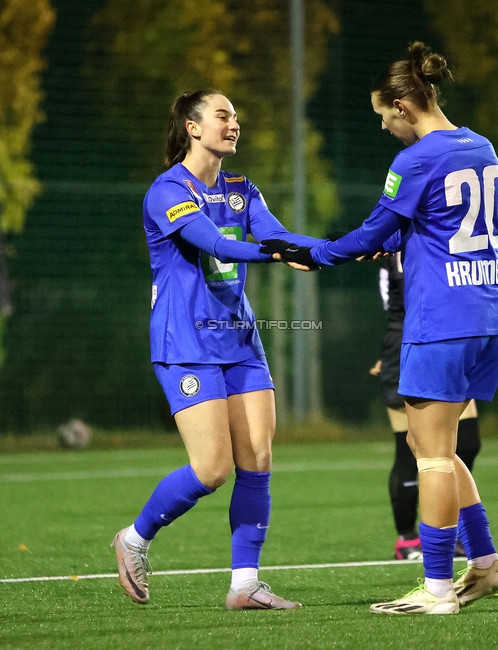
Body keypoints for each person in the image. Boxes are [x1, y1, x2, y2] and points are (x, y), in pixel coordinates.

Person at [263, 41, 498, 615]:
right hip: (489, 313)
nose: (384, 127)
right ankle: (486, 565)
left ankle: (438, 589)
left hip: (440, 319)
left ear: (403, 105)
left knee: (427, 455)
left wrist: (318, 254)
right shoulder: (481, 146)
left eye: (382, 115)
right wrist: (398, 240)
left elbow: (373, 231)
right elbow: (447, 225)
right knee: (445, 452)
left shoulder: (417, 159)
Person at [112, 89, 320, 611]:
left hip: (240, 340)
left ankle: (244, 584)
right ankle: (134, 538)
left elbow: (276, 234)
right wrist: (279, 253)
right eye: (223, 116)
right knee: (211, 469)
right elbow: (217, 244)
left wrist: (333, 249)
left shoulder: (240, 188)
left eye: (236, 117)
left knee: (258, 459)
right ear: (192, 125)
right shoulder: (166, 191)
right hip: (186, 344)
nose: (234, 125)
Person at [371, 252, 482, 561]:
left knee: (467, 443)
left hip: (448, 342)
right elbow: (389, 304)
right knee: (413, 448)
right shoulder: (392, 243)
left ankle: (454, 528)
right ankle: (407, 538)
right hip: (406, 344)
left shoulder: (446, 235)